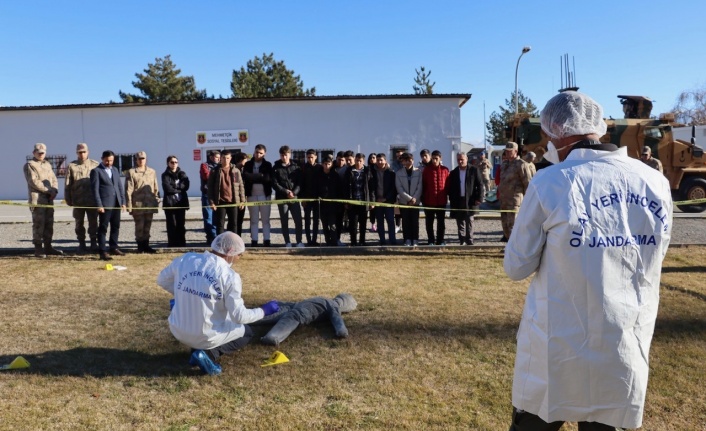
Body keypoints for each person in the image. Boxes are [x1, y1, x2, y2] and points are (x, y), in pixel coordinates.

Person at [504, 91, 673, 430]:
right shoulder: (655, 181)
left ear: (554, 131)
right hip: (622, 341)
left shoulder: (552, 182)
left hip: (558, 345)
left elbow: (517, 265)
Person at [157, 232, 280, 375]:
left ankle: (196, 349)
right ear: (230, 252)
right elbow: (239, 317)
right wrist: (264, 311)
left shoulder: (187, 259)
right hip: (204, 334)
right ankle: (209, 355)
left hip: (177, 329)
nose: (240, 258)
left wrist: (184, 294)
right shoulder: (229, 276)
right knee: (246, 332)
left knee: (211, 316)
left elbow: (162, 280)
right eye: (240, 255)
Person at [255, 293, 358, 346]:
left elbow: (294, 303)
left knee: (266, 317)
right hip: (301, 313)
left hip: (295, 308)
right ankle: (272, 337)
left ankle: (246, 318)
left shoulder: (322, 299)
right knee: (290, 319)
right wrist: (342, 331)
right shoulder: (333, 305)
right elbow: (337, 320)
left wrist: (278, 303)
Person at [23, 143, 62, 258]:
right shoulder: (30, 165)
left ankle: (48, 247)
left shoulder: (47, 164)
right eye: (38, 152)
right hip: (38, 200)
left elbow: (54, 179)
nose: (41, 154)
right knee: (39, 224)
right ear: (34, 153)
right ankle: (38, 249)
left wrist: (54, 190)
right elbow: (33, 182)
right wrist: (48, 191)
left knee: (49, 223)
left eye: (42, 152)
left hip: (49, 199)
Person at [90, 150, 126, 261]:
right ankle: (102, 251)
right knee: (103, 228)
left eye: (111, 160)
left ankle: (113, 247)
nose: (109, 163)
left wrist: (123, 202)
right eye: (107, 160)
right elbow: (95, 190)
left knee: (115, 227)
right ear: (102, 159)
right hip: (105, 205)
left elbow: (119, 187)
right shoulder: (96, 171)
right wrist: (99, 204)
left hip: (116, 203)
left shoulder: (115, 170)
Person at [64, 143, 99, 254]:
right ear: (76, 153)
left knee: (93, 223)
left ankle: (93, 243)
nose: (82, 154)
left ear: (88, 152)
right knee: (79, 223)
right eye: (80, 152)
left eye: (84, 152)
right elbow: (68, 184)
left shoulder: (95, 165)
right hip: (78, 200)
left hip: (92, 200)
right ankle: (81, 243)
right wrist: (68, 199)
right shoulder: (71, 166)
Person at [125, 151, 160, 253]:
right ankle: (140, 246)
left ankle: (146, 245)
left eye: (143, 158)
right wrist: (129, 205)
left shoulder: (152, 171)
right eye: (139, 159)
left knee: (148, 225)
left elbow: (155, 187)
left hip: (149, 202)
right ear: (136, 160)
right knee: (139, 225)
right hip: (138, 203)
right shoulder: (132, 172)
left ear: (146, 159)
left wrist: (156, 200)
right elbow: (129, 189)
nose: (141, 160)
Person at [498, 142, 534, 242]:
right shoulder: (504, 164)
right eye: (506, 151)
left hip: (514, 201)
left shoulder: (522, 164)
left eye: (510, 151)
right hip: (504, 201)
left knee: (514, 227)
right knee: (505, 227)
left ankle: (517, 248)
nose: (508, 153)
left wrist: (528, 202)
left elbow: (528, 184)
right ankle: (509, 247)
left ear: (516, 151)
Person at [272, 145, 304, 247]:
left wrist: (294, 193)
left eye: (285, 155)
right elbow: (275, 184)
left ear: (289, 154)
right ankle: (287, 242)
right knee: (284, 221)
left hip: (294, 198)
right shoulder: (276, 167)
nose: (284, 157)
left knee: (298, 220)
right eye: (282, 155)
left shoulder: (296, 167)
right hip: (282, 198)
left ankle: (299, 241)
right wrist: (286, 191)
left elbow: (300, 182)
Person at [448, 152, 483, 245]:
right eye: (458, 160)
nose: (460, 161)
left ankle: (470, 240)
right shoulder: (453, 172)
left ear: (466, 159)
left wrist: (479, 198)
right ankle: (462, 240)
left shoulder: (474, 170)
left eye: (462, 159)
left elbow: (480, 185)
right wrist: (451, 199)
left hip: (471, 199)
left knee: (469, 220)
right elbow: (451, 188)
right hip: (458, 200)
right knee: (460, 221)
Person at [208, 151, 246, 236]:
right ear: (220, 158)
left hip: (233, 202)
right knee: (220, 224)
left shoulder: (235, 171)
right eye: (224, 158)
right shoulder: (215, 171)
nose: (225, 160)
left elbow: (240, 186)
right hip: (220, 202)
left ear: (230, 159)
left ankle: (233, 244)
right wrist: (211, 202)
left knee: (234, 224)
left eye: (228, 158)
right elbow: (210, 187)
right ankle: (220, 244)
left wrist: (242, 200)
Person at [243, 144, 273, 247]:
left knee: (265, 220)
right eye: (256, 152)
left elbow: (267, 178)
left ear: (264, 154)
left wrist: (254, 177)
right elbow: (246, 176)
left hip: (265, 196)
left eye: (261, 153)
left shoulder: (268, 165)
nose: (258, 154)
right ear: (253, 152)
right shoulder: (248, 164)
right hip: (252, 195)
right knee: (254, 219)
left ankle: (267, 240)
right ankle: (254, 240)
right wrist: (260, 176)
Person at [421, 150, 450, 245]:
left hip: (441, 201)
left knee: (441, 223)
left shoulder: (445, 170)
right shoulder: (426, 170)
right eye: (433, 158)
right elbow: (423, 185)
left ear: (440, 158)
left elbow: (448, 185)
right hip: (429, 201)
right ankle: (430, 240)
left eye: (436, 159)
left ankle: (441, 240)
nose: (434, 161)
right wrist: (423, 199)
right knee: (429, 222)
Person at [343, 153, 372, 246]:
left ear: (363, 161)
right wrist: (346, 200)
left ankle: (362, 241)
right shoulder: (349, 171)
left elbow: (371, 188)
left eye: (360, 161)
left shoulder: (367, 171)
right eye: (356, 160)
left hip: (364, 201)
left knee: (363, 224)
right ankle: (353, 241)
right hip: (353, 201)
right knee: (353, 223)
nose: (358, 163)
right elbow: (345, 187)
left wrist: (372, 201)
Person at [162, 155, 190, 247]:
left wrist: (176, 187)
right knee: (171, 224)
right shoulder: (165, 175)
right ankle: (172, 243)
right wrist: (179, 189)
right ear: (168, 163)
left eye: (176, 162)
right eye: (172, 162)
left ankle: (181, 242)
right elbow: (167, 189)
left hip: (181, 203)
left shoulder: (182, 174)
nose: (174, 164)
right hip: (170, 203)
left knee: (181, 224)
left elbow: (186, 186)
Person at [395, 152, 422, 246]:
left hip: (415, 201)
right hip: (404, 201)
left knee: (415, 221)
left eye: (410, 160)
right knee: (405, 221)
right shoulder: (399, 173)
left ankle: (415, 239)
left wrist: (414, 198)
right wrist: (409, 199)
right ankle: (407, 239)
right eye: (406, 160)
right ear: (403, 161)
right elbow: (399, 188)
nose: (409, 162)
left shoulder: (418, 172)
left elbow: (420, 186)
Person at [315, 154, 343, 246]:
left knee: (333, 225)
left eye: (329, 164)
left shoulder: (335, 175)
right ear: (322, 164)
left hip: (333, 205)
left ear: (331, 164)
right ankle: (327, 241)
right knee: (325, 225)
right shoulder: (318, 175)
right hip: (322, 205)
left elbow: (339, 189)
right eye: (325, 164)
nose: (327, 166)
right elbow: (315, 189)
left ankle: (334, 241)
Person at [371, 153, 397, 245]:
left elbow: (393, 188)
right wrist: (375, 200)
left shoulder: (391, 173)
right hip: (377, 201)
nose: (379, 162)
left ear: (385, 161)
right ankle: (382, 240)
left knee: (390, 220)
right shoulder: (372, 172)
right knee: (380, 221)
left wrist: (386, 198)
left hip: (388, 201)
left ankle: (392, 240)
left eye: (381, 160)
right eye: (378, 160)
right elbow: (372, 187)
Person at [199, 150, 220, 244]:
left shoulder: (220, 166)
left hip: (218, 195)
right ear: (211, 157)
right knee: (208, 216)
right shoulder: (205, 165)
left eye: (220, 157)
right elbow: (207, 176)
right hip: (207, 194)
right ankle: (211, 236)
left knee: (217, 217)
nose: (219, 159)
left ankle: (217, 236)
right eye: (217, 157)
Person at [301, 149, 320, 246]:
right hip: (307, 199)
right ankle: (308, 240)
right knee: (307, 220)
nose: (310, 159)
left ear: (316, 157)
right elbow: (301, 184)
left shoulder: (319, 168)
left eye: (312, 157)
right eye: (308, 157)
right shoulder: (303, 168)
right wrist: (303, 199)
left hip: (317, 199)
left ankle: (314, 239)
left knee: (316, 220)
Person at [233, 152, 249, 237]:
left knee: (240, 220)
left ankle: (238, 237)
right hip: (236, 199)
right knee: (235, 221)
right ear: (240, 161)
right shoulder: (234, 171)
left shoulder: (244, 170)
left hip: (242, 198)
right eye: (245, 161)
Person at [366, 153, 378, 233]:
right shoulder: (367, 169)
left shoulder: (379, 168)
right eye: (370, 158)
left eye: (374, 157)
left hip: (379, 191)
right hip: (370, 191)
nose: (372, 159)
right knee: (372, 210)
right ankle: (373, 224)